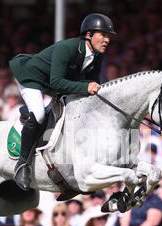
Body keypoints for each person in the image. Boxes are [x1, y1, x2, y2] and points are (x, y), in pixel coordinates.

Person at [9, 13, 116, 191]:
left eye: (108, 36)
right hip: (31, 78)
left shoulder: (97, 55)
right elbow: (57, 82)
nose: (107, 40)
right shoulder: (67, 48)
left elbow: (91, 83)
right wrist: (86, 88)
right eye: (103, 35)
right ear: (89, 35)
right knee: (40, 114)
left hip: (52, 83)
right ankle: (22, 165)